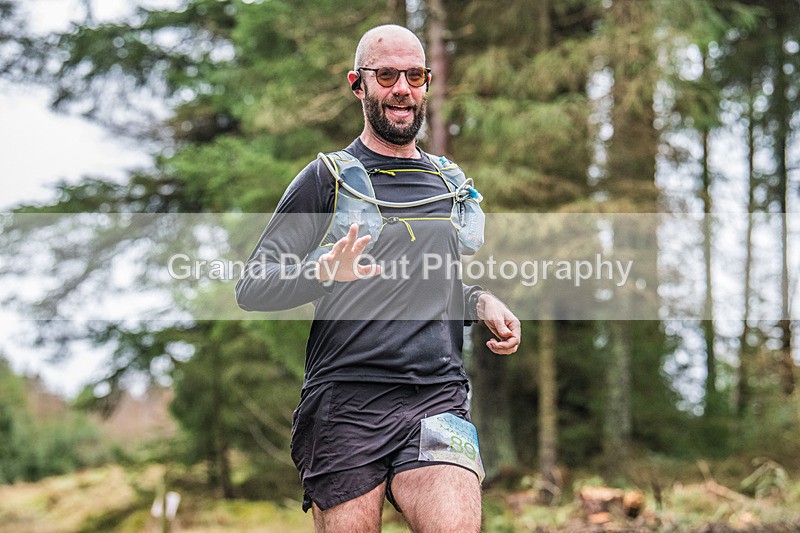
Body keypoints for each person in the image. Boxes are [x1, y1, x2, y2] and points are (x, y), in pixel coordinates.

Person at [236, 24, 521, 533]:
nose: (402, 88)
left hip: (434, 396)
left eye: (415, 75)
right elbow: (253, 284)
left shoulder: (447, 183)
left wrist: (478, 303)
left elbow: (432, 283)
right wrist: (324, 270)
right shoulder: (327, 178)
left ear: (427, 84)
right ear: (357, 84)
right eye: (386, 74)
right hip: (344, 402)